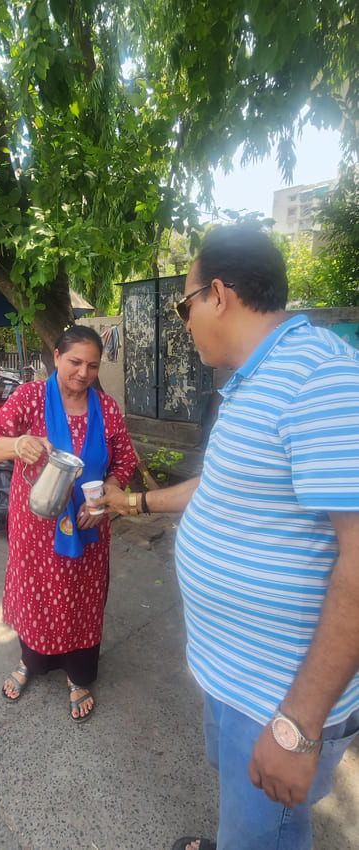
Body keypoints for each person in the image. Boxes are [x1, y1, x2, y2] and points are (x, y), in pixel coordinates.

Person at [97, 226, 359, 850]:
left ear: (217, 294)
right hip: (233, 676)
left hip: (276, 697)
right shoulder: (251, 381)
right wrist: (133, 502)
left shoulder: (322, 378)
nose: (184, 322)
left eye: (182, 306)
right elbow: (218, 486)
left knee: (264, 835)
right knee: (243, 817)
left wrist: (297, 725)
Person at [0, 325, 136, 723]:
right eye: (75, 362)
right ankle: (31, 661)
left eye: (93, 366)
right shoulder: (30, 398)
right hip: (35, 529)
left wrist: (107, 497)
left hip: (88, 524)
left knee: (82, 601)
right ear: (57, 357)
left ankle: (78, 676)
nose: (84, 373)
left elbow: (125, 461)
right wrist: (18, 444)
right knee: (37, 596)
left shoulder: (106, 408)